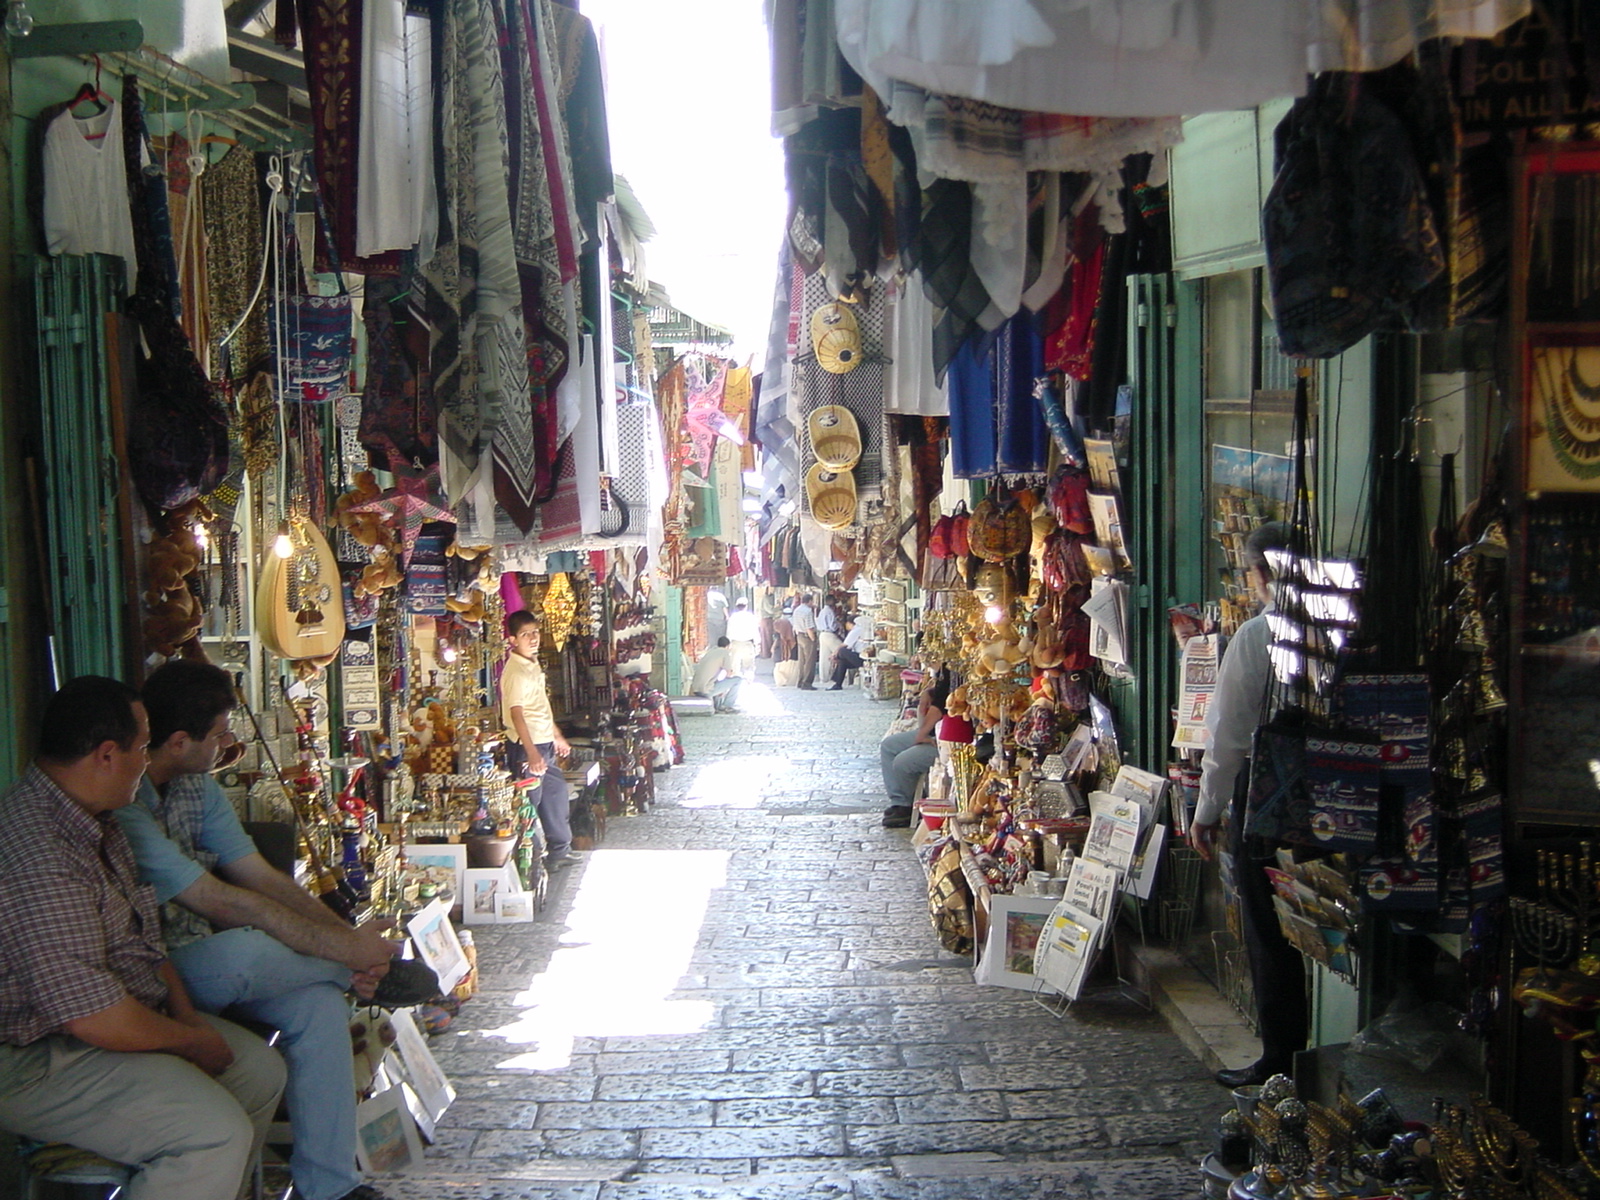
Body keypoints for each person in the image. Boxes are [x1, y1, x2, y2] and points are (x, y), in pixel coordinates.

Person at [118, 660, 423, 1200]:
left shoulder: (199, 790)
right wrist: (351, 953)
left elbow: (261, 878)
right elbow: (219, 900)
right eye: (219, 734)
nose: (228, 743)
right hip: (157, 973)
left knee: (320, 1009)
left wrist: (343, 934)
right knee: (245, 951)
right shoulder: (126, 809)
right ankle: (361, 970)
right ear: (181, 741)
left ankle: (329, 1186)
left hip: (207, 958)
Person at [0, 676, 286, 1200]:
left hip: (107, 1026)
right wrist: (187, 1041)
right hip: (36, 1057)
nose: (145, 761)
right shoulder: (41, 853)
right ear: (107, 754)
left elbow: (143, 947)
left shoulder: (98, 823)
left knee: (259, 1073)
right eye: (140, 748)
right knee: (212, 1135)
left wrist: (186, 1018)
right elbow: (91, 1016)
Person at [1190, 522, 1308, 1089]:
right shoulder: (1336, 630)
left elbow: (1229, 737)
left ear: (1261, 575)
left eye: (1249, 570)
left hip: (1266, 800)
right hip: (1332, 795)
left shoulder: (1258, 636)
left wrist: (1206, 810)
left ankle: (1281, 1059)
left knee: (1270, 934)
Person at [502, 610, 581, 871]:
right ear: (513, 639)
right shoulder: (515, 672)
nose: (533, 638)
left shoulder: (532, 664)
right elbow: (517, 715)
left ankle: (560, 850)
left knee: (555, 796)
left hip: (543, 743)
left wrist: (556, 735)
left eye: (535, 632)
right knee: (529, 804)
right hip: (527, 748)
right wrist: (531, 752)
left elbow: (540, 706)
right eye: (525, 634)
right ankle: (530, 860)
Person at [879, 667, 950, 827]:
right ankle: (901, 803)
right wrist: (929, 692)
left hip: (948, 739)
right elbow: (940, 694)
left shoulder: (958, 665)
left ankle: (909, 808)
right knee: (889, 746)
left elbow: (940, 705)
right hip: (935, 731)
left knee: (903, 762)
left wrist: (922, 732)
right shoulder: (947, 665)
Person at [690, 636, 744, 713]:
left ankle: (718, 706)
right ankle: (727, 706)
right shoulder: (725, 652)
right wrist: (723, 689)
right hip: (706, 690)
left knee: (718, 682)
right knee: (738, 680)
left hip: (696, 689)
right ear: (728, 646)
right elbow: (729, 674)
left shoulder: (711, 651)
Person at [827, 614, 871, 689]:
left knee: (842, 651)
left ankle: (837, 682)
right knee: (842, 661)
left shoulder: (856, 630)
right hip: (861, 657)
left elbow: (844, 645)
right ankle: (838, 684)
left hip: (861, 658)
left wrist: (834, 655)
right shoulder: (861, 629)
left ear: (850, 623)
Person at [725, 598, 759, 679]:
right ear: (746, 606)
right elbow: (755, 631)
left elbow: (729, 632)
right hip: (748, 643)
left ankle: (736, 683)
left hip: (735, 644)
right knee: (749, 666)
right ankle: (749, 682)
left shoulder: (733, 617)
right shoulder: (751, 617)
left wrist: (728, 644)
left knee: (735, 666)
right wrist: (757, 643)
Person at [792, 592, 819, 689]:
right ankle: (807, 683)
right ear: (810, 601)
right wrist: (813, 639)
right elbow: (809, 627)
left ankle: (800, 681)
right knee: (809, 661)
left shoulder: (797, 610)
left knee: (802, 660)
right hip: (807, 637)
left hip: (799, 635)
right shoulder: (808, 611)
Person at [817, 595, 843, 682]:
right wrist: (839, 624)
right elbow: (832, 626)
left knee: (824, 657)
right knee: (843, 651)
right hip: (829, 635)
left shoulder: (822, 611)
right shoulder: (829, 612)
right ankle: (847, 676)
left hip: (822, 634)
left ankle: (824, 678)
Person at [757, 589, 779, 659]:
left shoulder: (769, 597)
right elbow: (770, 610)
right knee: (767, 637)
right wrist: (779, 608)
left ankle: (766, 653)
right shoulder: (766, 598)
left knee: (766, 637)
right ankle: (767, 654)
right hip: (767, 620)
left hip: (766, 620)